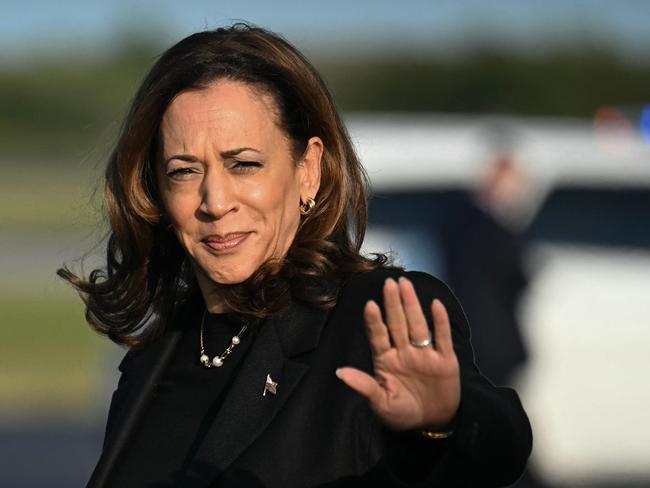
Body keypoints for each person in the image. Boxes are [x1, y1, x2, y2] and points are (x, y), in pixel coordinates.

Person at [59, 24, 532, 487]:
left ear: (307, 171)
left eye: (243, 164)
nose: (215, 201)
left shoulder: (375, 317)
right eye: (184, 171)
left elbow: (499, 450)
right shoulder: (155, 353)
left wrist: (443, 421)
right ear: (157, 190)